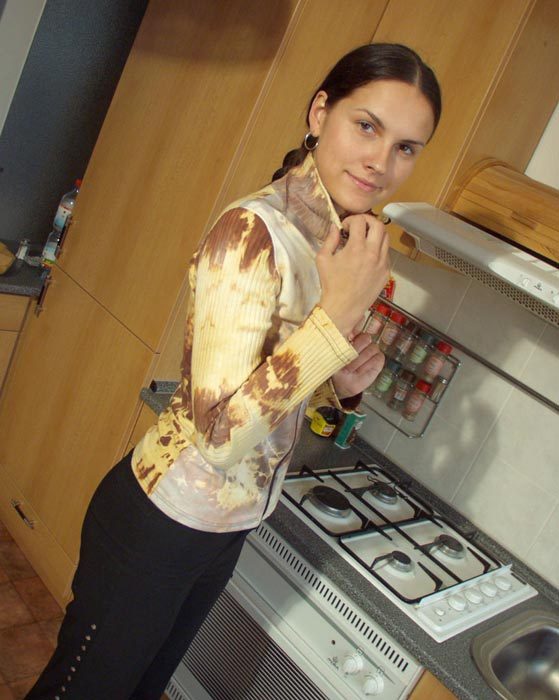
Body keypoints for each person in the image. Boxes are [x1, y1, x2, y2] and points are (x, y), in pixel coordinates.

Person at [27, 42, 441, 699]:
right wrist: (333, 321)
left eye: (406, 147)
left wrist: (337, 389)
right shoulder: (251, 232)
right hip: (161, 523)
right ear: (319, 113)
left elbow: (275, 401)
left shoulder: (332, 243)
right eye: (366, 126)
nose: (381, 161)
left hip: (226, 528)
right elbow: (219, 436)